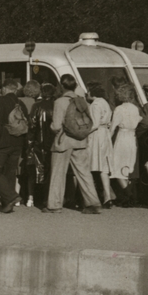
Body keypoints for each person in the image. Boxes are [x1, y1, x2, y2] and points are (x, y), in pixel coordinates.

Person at [45, 74, 100, 214]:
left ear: (62, 86)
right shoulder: (82, 101)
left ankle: (55, 205)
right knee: (84, 173)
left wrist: (51, 127)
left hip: (63, 141)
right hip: (80, 140)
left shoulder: (59, 102)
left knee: (58, 173)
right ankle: (93, 203)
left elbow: (56, 126)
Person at [0, 79, 27, 212]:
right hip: (18, 142)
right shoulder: (21, 103)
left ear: (5, 89)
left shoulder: (0, 101)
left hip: (3, 142)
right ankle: (8, 204)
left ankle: (10, 197)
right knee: (10, 172)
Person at [109, 83, 142, 207]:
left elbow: (113, 127)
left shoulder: (119, 109)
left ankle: (128, 195)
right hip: (132, 138)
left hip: (122, 137)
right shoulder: (135, 108)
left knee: (117, 166)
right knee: (129, 165)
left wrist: (108, 138)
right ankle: (130, 194)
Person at [86, 83, 115, 208]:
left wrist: (83, 133)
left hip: (97, 135)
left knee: (91, 165)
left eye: (88, 92)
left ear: (93, 93)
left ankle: (92, 196)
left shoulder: (95, 104)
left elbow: (95, 123)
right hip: (105, 134)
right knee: (104, 167)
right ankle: (107, 197)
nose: (86, 94)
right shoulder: (105, 103)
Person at [17, 81, 41, 206]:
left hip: (18, 137)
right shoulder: (36, 104)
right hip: (30, 139)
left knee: (18, 168)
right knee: (30, 169)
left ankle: (16, 196)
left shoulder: (17, 101)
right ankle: (30, 198)